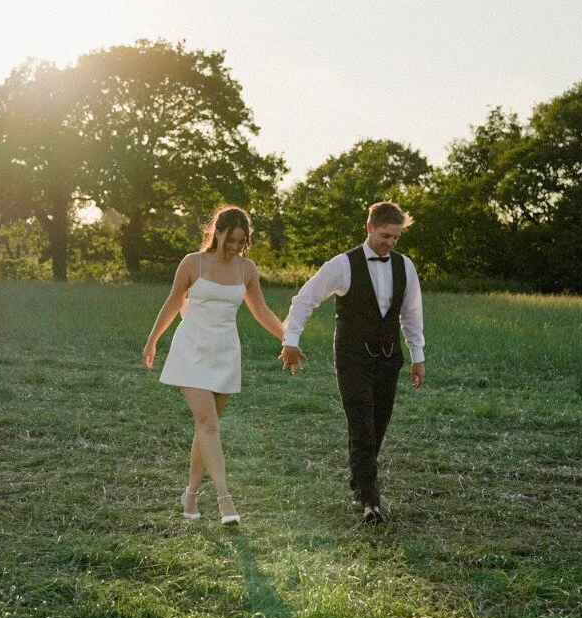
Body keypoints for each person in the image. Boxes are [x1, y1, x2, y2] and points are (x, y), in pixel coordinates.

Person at [279, 201, 425, 525]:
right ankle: (371, 502)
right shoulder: (343, 265)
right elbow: (305, 299)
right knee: (362, 423)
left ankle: (360, 483)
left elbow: (412, 315)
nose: (390, 243)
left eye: (396, 238)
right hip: (352, 358)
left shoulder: (406, 267)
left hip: (389, 360)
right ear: (369, 228)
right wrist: (291, 341)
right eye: (385, 235)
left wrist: (418, 357)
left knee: (378, 424)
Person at [143, 206, 285, 526]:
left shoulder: (247, 269)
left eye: (242, 241)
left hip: (225, 352)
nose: (235, 247)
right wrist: (153, 340)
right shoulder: (193, 262)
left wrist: (288, 338)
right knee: (207, 421)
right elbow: (173, 301)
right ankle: (225, 499)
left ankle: (191, 492)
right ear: (217, 232)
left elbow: (260, 310)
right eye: (231, 239)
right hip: (191, 348)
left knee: (206, 427)